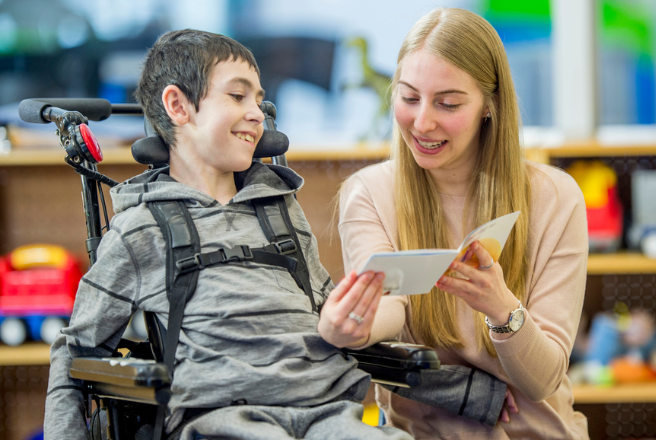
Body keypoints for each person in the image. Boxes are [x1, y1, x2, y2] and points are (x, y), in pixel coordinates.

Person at [44, 29, 411, 440]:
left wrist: (475, 393)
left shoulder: (281, 211)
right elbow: (77, 352)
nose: (256, 112)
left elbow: (328, 315)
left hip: (324, 412)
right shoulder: (142, 227)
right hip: (224, 419)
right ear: (178, 106)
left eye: (258, 99)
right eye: (238, 97)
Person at [338, 7, 589, 440]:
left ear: (489, 107)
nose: (422, 122)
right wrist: (353, 326)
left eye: (448, 103)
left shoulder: (556, 198)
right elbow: (390, 308)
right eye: (409, 97)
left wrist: (500, 307)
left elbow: (542, 380)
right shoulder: (368, 193)